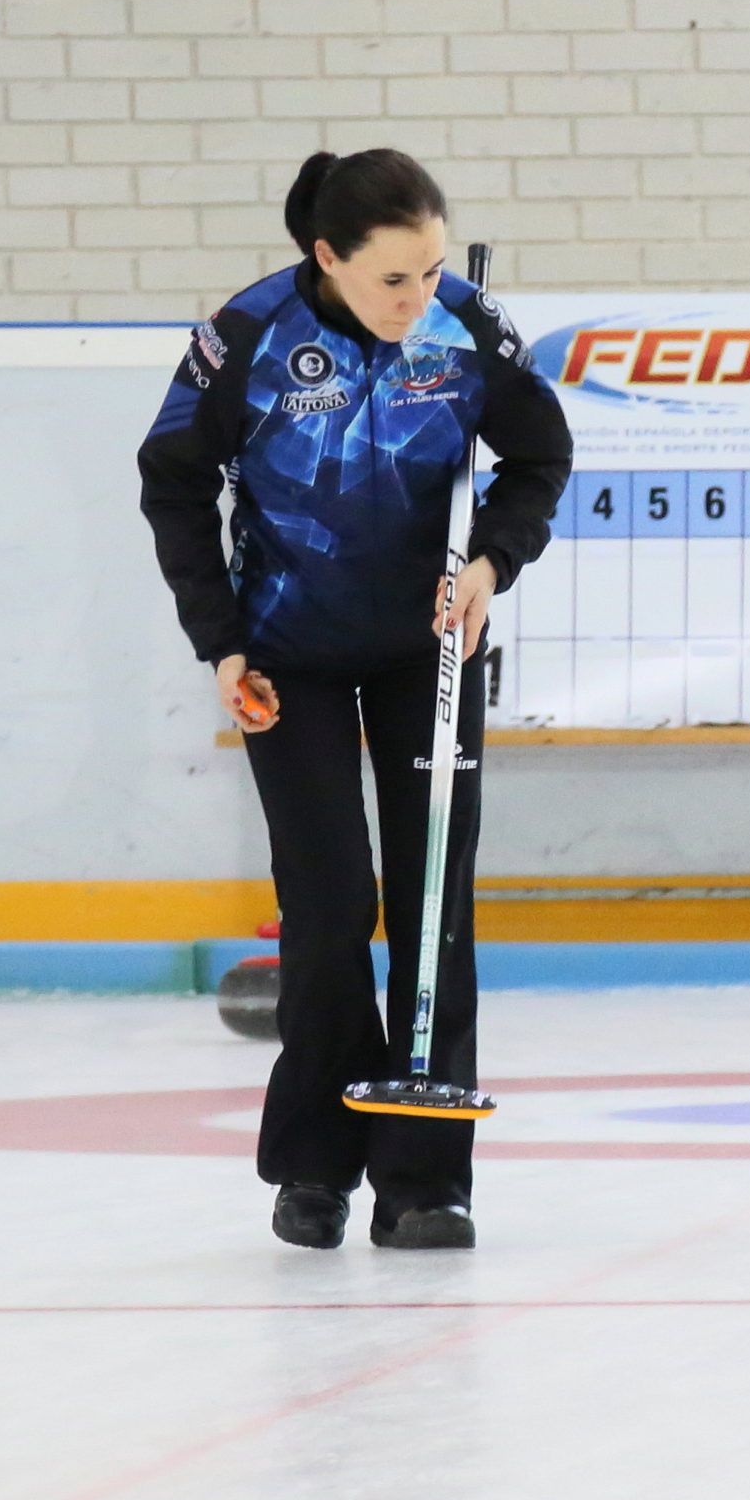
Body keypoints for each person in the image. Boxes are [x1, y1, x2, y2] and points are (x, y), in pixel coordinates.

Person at [138, 149, 572, 1252]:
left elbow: (539, 457)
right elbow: (175, 480)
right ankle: (317, 1167)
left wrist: (490, 570)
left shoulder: (467, 328)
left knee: (435, 907)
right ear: (326, 259)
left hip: (430, 654)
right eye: (393, 280)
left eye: (430, 271)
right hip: (292, 664)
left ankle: (428, 1181)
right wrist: (222, 645)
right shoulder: (248, 338)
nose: (418, 298)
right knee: (330, 911)